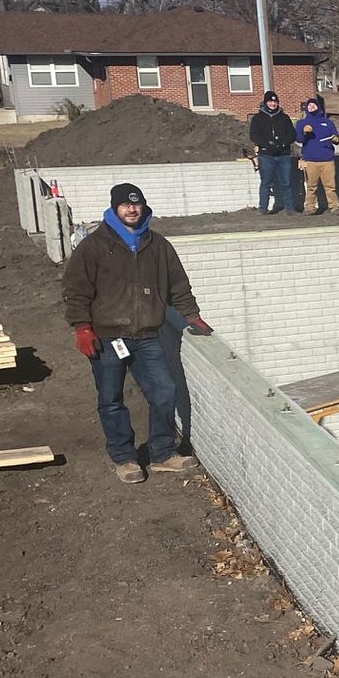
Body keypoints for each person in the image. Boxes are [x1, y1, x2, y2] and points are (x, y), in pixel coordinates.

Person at [61, 183, 214, 483]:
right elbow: (75, 290)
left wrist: (192, 316)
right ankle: (125, 458)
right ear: (115, 208)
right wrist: (82, 327)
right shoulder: (94, 246)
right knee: (111, 398)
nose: (132, 210)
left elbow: (178, 285)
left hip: (146, 335)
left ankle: (162, 453)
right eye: (125, 205)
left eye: (136, 204)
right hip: (107, 337)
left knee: (164, 392)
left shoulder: (158, 245)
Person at [248, 89, 297, 214]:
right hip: (266, 155)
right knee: (266, 182)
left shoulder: (284, 118)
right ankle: (263, 208)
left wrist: (283, 143)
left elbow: (291, 134)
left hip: (283, 155)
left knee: (285, 183)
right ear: (265, 103)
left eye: (275, 102)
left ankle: (289, 208)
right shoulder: (258, 118)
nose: (273, 104)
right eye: (270, 102)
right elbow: (254, 135)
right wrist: (265, 144)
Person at [294, 95, 339, 214]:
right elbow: (299, 140)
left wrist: (335, 139)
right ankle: (309, 207)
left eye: (314, 105)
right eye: (309, 105)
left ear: (318, 107)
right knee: (311, 187)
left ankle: (334, 207)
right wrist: (304, 132)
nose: (312, 107)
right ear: (306, 108)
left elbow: (336, 138)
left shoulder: (327, 122)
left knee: (330, 187)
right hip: (310, 160)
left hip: (327, 159)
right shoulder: (302, 123)